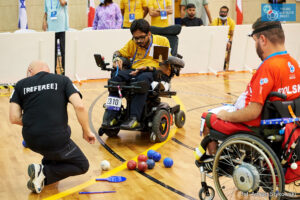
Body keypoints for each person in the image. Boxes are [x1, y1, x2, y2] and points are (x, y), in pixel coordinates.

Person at [196, 18, 300, 160]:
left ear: (262, 39)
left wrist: (227, 116)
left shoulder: (268, 67)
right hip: (283, 126)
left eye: (255, 40)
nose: (255, 45)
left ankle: (215, 160)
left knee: (207, 117)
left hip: (257, 128)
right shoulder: (293, 63)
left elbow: (252, 112)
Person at [9, 61, 96, 193]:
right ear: (48, 71)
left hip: (31, 140)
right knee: (82, 165)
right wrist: (86, 131)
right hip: (56, 139)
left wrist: (35, 123)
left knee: (51, 150)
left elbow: (14, 118)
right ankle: (43, 172)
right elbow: (80, 106)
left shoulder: (20, 84)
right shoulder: (62, 80)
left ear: (29, 71)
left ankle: (41, 174)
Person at [103, 19, 170, 129]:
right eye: (136, 38)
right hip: (134, 70)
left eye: (141, 37)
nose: (138, 41)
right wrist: (116, 58)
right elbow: (118, 52)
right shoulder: (133, 43)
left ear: (149, 33)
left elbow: (164, 68)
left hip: (151, 71)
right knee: (114, 81)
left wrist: (146, 67)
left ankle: (134, 118)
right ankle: (111, 116)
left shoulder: (160, 42)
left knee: (140, 82)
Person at [43, 0, 69, 75]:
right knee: (52, 52)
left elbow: (63, 3)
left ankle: (64, 73)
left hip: (62, 28)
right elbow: (46, 12)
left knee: (63, 51)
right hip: (51, 29)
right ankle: (52, 73)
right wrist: (44, 21)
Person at [210, 6, 235, 70]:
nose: (223, 13)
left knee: (231, 45)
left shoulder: (231, 21)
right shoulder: (215, 21)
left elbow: (232, 35)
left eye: (224, 12)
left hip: (228, 40)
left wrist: (229, 41)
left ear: (227, 13)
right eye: (221, 12)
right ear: (219, 12)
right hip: (218, 39)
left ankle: (227, 64)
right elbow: (214, 33)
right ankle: (218, 64)